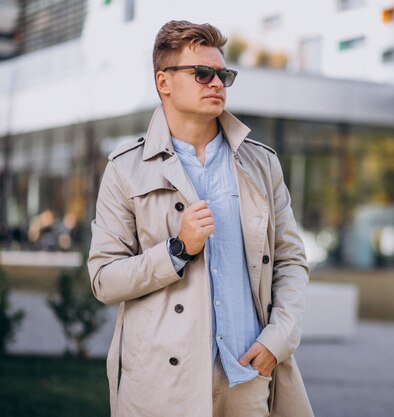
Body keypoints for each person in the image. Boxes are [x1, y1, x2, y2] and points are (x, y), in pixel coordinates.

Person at [88, 20, 313, 417]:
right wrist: (177, 251)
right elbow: (104, 280)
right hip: (162, 385)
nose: (217, 84)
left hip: (247, 373)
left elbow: (291, 261)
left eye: (223, 74)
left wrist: (277, 340)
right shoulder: (126, 169)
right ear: (164, 82)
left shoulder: (261, 163)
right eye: (202, 73)